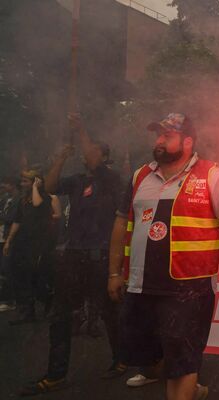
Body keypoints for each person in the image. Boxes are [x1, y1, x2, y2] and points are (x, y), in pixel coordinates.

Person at [107, 113, 219, 400]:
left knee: (181, 363)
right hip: (141, 284)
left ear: (187, 141)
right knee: (150, 360)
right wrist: (113, 272)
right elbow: (122, 223)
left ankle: (185, 383)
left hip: (188, 289)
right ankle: (192, 387)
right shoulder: (140, 176)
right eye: (157, 135)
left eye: (166, 136)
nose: (158, 141)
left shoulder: (211, 175)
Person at [16, 113, 127, 396]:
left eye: (95, 152)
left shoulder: (111, 179)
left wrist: (80, 130)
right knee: (60, 315)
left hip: (100, 256)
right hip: (74, 256)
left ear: (104, 157)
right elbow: (51, 187)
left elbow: (89, 154)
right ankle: (56, 375)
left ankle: (122, 359)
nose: (88, 156)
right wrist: (61, 158)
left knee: (109, 314)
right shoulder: (77, 180)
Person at [3, 169, 53, 325]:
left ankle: (48, 300)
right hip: (23, 242)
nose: (22, 184)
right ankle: (28, 312)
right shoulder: (22, 199)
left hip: (38, 243)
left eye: (26, 181)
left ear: (35, 182)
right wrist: (9, 240)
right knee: (24, 277)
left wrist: (36, 188)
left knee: (37, 277)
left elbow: (38, 204)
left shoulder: (43, 197)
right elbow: (17, 220)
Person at [0, 176, 20, 311]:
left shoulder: (18, 200)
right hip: (3, 236)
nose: (3, 187)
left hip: (9, 238)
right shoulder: (6, 199)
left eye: (5, 185)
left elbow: (13, 218)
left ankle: (11, 300)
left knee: (7, 269)